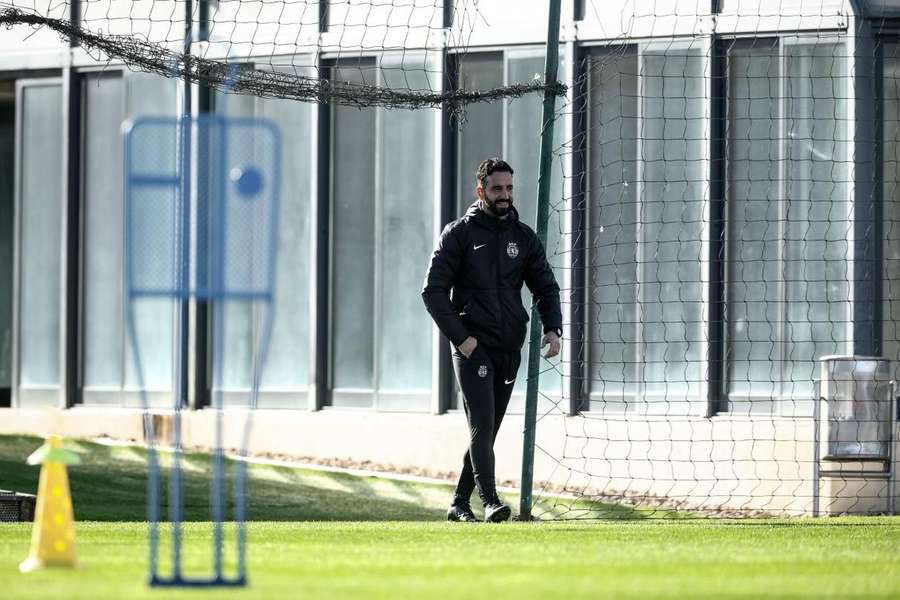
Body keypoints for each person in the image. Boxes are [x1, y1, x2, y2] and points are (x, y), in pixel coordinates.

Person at [422, 157, 562, 523]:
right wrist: (463, 340)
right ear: (480, 191)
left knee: (486, 431)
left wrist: (553, 327)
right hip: (472, 350)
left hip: (508, 350)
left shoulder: (523, 237)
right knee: (482, 425)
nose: (505, 195)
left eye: (510, 189)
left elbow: (545, 286)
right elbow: (433, 292)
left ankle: (458, 503)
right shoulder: (458, 234)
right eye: (497, 189)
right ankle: (490, 501)